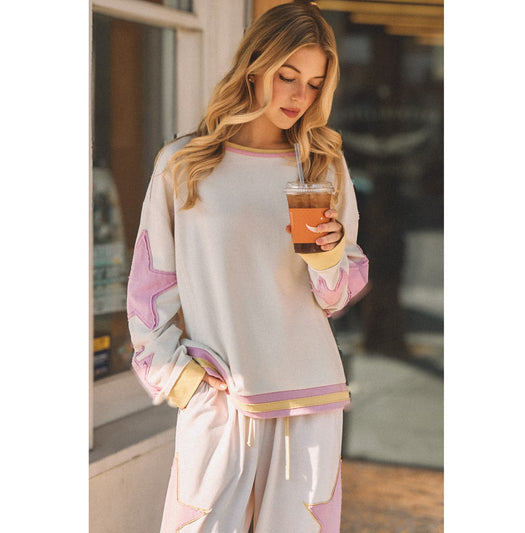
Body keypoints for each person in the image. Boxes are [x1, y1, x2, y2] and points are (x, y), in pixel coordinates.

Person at [126, 1, 369, 531]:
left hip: (310, 401)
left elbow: (333, 296)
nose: (299, 96)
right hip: (222, 401)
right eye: (287, 76)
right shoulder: (184, 164)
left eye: (314, 83)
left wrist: (329, 256)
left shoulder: (322, 166)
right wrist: (181, 383)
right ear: (255, 65)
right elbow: (149, 295)